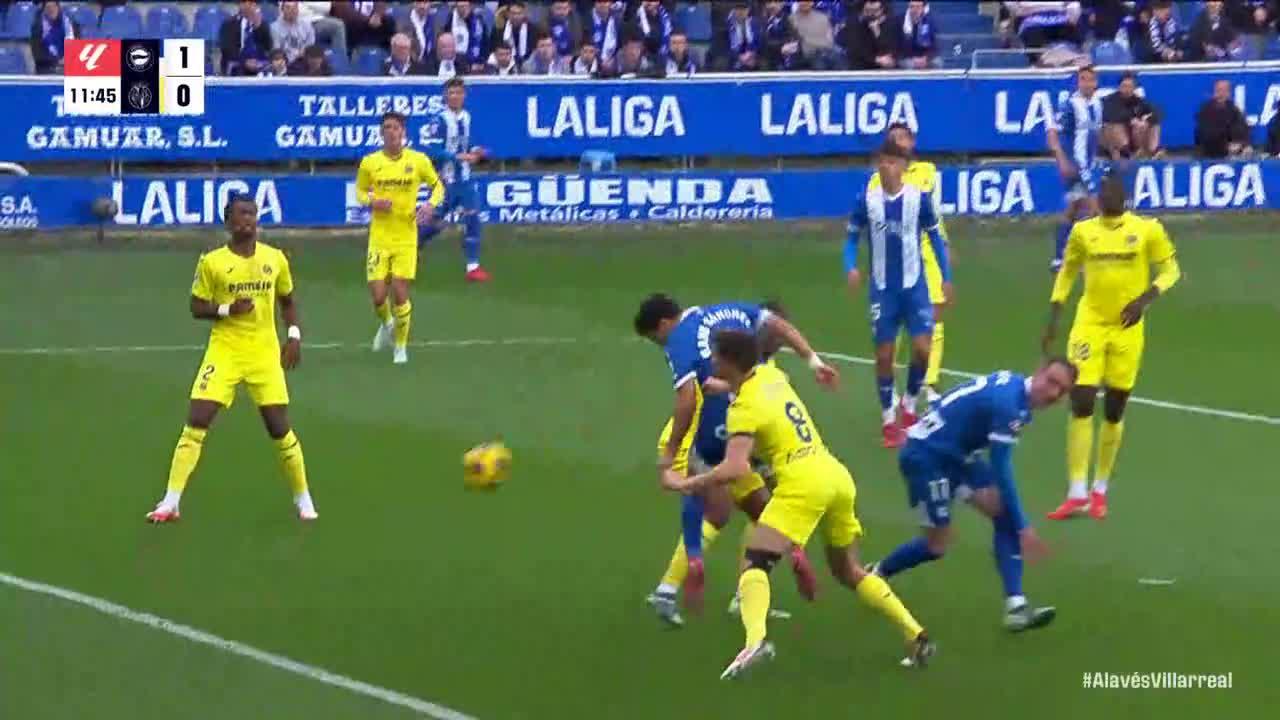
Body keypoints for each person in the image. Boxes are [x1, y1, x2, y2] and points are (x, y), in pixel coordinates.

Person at [670, 330, 934, 677]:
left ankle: (755, 641)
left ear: (731, 362)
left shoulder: (743, 410)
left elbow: (735, 468)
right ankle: (916, 635)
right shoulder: (770, 374)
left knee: (755, 563)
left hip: (802, 482)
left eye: (717, 357)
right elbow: (755, 394)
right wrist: (724, 388)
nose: (712, 362)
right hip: (835, 475)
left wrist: (687, 483)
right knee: (848, 570)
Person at [634, 294, 839, 624]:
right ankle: (677, 587)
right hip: (710, 436)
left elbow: (706, 389)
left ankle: (723, 590)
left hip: (718, 436)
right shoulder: (748, 360)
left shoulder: (728, 354)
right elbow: (694, 400)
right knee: (723, 508)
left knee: (751, 512)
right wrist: (813, 361)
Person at [145, 194, 316, 524]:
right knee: (197, 419)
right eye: (240, 215)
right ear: (228, 222)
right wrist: (227, 309)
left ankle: (303, 497)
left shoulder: (275, 259)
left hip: (263, 352)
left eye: (251, 213)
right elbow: (196, 306)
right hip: (225, 350)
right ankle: (170, 501)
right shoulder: (212, 262)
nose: (247, 220)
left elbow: (288, 301)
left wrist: (293, 336)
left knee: (278, 427)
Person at [872, 359, 1077, 630]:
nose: (1053, 393)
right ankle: (875, 576)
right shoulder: (1009, 406)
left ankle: (1016, 606)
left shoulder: (1015, 389)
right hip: (927, 457)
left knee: (1004, 516)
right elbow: (1002, 469)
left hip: (956, 455)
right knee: (937, 546)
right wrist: (1025, 527)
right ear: (1038, 372)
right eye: (1051, 382)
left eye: (1061, 390)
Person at [1044, 175, 1181, 521]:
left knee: (1115, 408)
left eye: (1115, 195)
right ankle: (1077, 491)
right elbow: (1068, 271)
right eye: (1105, 195)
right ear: (1099, 201)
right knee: (1082, 399)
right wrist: (1055, 315)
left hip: (1127, 330)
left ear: (1126, 199)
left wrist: (1144, 300)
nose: (1109, 200)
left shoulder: (1147, 230)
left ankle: (1099, 489)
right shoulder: (1083, 232)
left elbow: (1171, 270)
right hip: (1089, 323)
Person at [845, 141, 952, 449]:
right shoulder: (866, 200)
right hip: (883, 290)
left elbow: (934, 238)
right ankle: (888, 418)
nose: (885, 166)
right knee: (884, 356)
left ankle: (909, 402)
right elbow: (851, 238)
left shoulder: (919, 200)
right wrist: (850, 266)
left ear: (903, 165)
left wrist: (946, 278)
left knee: (922, 350)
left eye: (892, 161)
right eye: (882, 161)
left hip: (915, 287)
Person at [355, 111, 445, 365]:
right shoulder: (370, 162)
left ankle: (400, 347)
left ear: (403, 132)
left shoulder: (418, 160)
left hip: (406, 236)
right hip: (379, 237)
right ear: (381, 133)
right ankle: (387, 323)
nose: (391, 132)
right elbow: (360, 191)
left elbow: (438, 185)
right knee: (378, 296)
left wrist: (430, 205)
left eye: (395, 128)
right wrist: (373, 201)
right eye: (386, 128)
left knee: (400, 291)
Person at [880, 123, 951, 405]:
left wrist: (944, 245)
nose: (900, 142)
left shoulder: (928, 172)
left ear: (911, 142)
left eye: (904, 137)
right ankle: (891, 382)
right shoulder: (879, 177)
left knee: (935, 316)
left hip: (927, 252)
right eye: (894, 138)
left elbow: (932, 212)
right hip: (896, 256)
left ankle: (927, 382)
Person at [418, 78, 491, 283]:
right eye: (451, 93)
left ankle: (473, 267)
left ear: (464, 95)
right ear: (445, 96)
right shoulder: (439, 120)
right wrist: (455, 157)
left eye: (459, 93)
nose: (455, 97)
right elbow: (430, 149)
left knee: (473, 217)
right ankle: (412, 246)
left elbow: (472, 143)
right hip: (445, 181)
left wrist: (477, 152)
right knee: (435, 223)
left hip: (465, 179)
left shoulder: (467, 117)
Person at [1046, 65, 1104, 273]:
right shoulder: (1071, 104)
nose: (1087, 83)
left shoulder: (1097, 104)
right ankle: (1088, 257)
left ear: (1096, 82)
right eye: (1083, 79)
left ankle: (1060, 257)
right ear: (1078, 82)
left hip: (1089, 163)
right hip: (1077, 164)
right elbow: (1053, 132)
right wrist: (1061, 159)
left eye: (1091, 80)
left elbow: (1096, 134)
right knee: (1094, 207)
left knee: (1072, 210)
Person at [1102, 71, 1163, 159]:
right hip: (1114, 139)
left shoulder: (1138, 101)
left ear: (1134, 88)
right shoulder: (1110, 100)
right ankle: (1127, 154)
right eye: (1124, 86)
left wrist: (1146, 121)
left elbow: (1158, 112)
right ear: (1119, 87)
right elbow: (1109, 116)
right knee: (1115, 126)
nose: (1127, 89)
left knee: (1153, 125)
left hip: (1133, 137)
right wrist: (1131, 120)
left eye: (1130, 86)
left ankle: (1153, 151)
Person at [1194, 78, 1251, 158]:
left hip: (1232, 151)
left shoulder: (1233, 109)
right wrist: (1227, 146)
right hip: (1210, 152)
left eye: (1225, 91)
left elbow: (1242, 130)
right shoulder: (1206, 110)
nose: (1221, 94)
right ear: (1214, 92)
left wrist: (1243, 144)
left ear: (1229, 93)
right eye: (1219, 90)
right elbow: (1206, 136)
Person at [219, 0, 274, 76]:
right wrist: (244, 62)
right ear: (240, 5)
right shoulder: (229, 24)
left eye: (252, 3)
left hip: (258, 65)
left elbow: (268, 47)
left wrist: (258, 27)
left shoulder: (262, 25)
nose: (249, 5)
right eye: (245, 2)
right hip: (237, 64)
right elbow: (226, 49)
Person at [30, 1, 79, 75]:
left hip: (68, 64)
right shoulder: (37, 27)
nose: (51, 10)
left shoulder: (70, 23)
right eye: (48, 7)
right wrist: (57, 61)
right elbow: (37, 55)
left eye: (54, 6)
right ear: (44, 10)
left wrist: (67, 58)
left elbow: (77, 45)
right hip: (47, 67)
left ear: (58, 8)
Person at [270, 1, 316, 66]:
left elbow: (311, 44)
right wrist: (294, 56)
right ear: (282, 10)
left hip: (305, 59)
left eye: (295, 8)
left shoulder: (306, 24)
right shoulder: (274, 28)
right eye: (288, 8)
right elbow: (277, 50)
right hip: (287, 62)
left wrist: (304, 52)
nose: (292, 11)